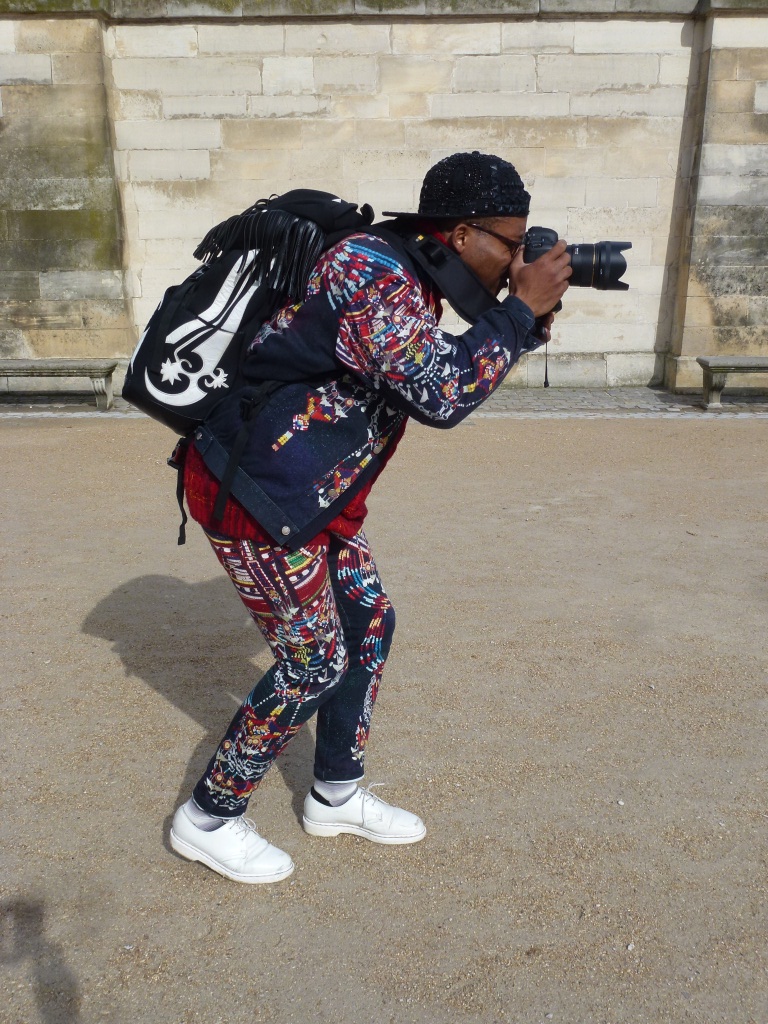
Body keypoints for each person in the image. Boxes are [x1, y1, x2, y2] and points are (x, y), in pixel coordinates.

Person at [169, 151, 572, 884]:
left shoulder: (417, 272)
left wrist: (528, 313)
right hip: (258, 495)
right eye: (511, 244)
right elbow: (443, 393)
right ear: (461, 234)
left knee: (368, 622)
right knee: (313, 663)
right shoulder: (371, 270)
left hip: (313, 496)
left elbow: (450, 361)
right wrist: (520, 309)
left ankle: (335, 793)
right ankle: (208, 817)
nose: (517, 258)